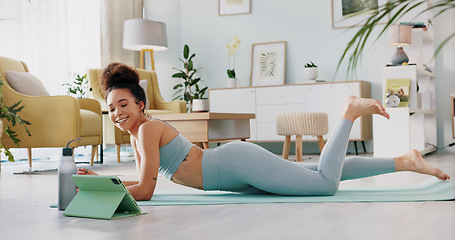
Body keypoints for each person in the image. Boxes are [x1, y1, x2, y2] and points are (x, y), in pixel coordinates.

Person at [78, 63, 450, 201]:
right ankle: (404, 161)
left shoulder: (146, 131)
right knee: (311, 173)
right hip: (232, 170)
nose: (117, 113)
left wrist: (100, 187)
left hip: (233, 165)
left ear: (140, 104)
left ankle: (348, 114)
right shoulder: (139, 133)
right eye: (110, 108)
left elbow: (144, 191)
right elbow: (141, 179)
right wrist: (102, 178)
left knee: (324, 184)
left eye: (123, 104)